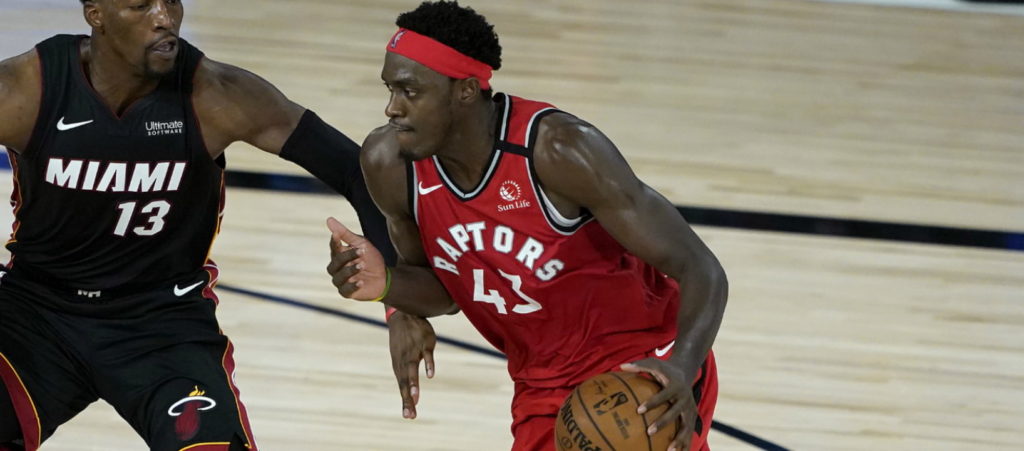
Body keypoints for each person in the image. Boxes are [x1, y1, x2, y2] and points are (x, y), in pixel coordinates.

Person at [326, 1, 728, 450]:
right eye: (390, 89)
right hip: (541, 380)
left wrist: (682, 364)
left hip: (642, 365)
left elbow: (701, 268)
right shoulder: (391, 165)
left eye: (409, 91)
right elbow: (445, 293)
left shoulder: (559, 151)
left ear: (464, 90)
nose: (391, 108)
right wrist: (385, 285)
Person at [0, 1, 394, 450]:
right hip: (37, 316)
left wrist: (397, 297)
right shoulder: (26, 90)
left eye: (172, 1)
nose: (164, 17)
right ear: (95, 14)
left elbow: (357, 172)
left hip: (163, 323)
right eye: (141, 5)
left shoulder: (216, 94)